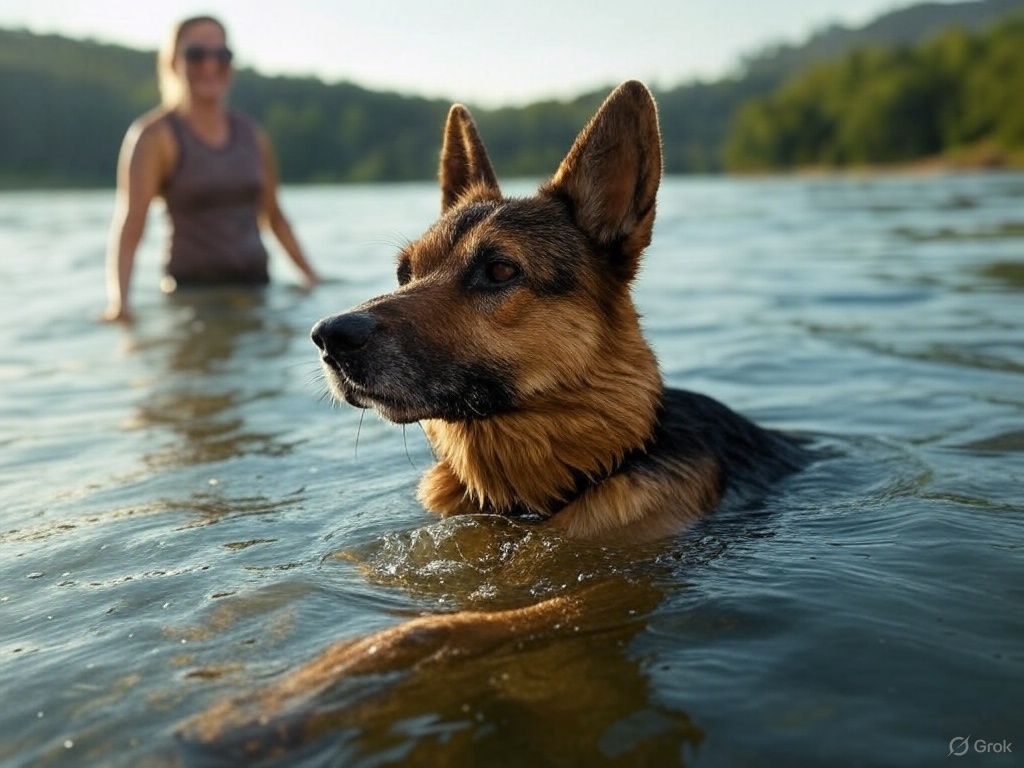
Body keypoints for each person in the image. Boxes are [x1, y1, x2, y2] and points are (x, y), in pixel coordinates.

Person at [103, 15, 320, 322]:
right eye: (196, 55)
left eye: (222, 55)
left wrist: (311, 277)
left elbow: (273, 215)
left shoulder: (251, 134)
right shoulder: (155, 136)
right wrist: (120, 304)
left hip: (257, 291)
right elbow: (131, 224)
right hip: (192, 298)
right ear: (172, 62)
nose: (210, 65)